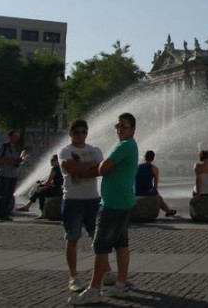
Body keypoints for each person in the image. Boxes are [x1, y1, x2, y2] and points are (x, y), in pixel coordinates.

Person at [69, 112, 139, 305]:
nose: (120, 130)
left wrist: (103, 167)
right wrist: (106, 167)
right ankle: (121, 284)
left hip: (113, 204)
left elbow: (102, 168)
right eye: (117, 126)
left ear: (133, 129)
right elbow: (106, 167)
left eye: (124, 126)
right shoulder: (130, 146)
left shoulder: (124, 146)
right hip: (124, 201)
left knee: (101, 248)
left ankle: (94, 290)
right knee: (121, 244)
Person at [58, 119, 112, 293]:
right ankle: (73, 277)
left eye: (83, 131)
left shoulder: (94, 149)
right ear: (71, 134)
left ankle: (107, 272)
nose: (80, 134)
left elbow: (101, 170)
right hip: (72, 199)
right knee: (72, 238)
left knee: (98, 238)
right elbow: (72, 169)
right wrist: (90, 166)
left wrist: (82, 169)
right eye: (77, 132)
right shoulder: (65, 150)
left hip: (93, 199)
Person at [134, 150, 176, 217]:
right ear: (153, 158)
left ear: (144, 157)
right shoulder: (155, 169)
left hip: (135, 191)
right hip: (146, 191)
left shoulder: (137, 167)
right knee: (159, 197)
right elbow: (155, 186)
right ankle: (169, 211)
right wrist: (157, 194)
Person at [0, 130, 22, 222]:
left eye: (17, 136)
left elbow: (16, 159)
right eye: (14, 136)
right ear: (9, 137)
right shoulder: (3, 147)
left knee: (9, 195)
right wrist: (8, 161)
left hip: (13, 174)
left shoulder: (17, 147)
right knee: (3, 195)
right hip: (4, 173)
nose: (16, 138)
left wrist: (18, 162)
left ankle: (6, 214)